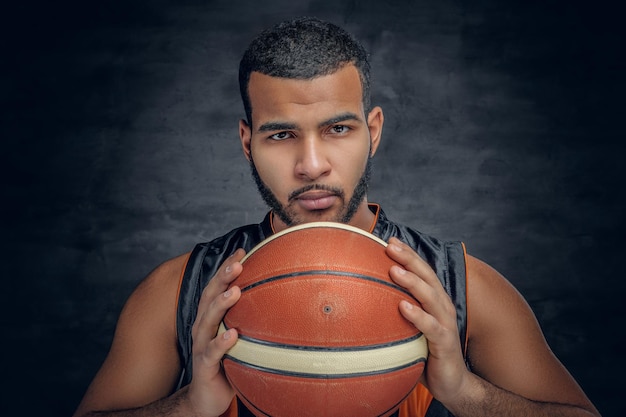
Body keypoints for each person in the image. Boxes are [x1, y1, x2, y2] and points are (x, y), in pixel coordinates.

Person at [73, 17, 600, 417]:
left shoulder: (460, 285)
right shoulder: (178, 290)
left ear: (373, 131)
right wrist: (190, 406)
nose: (312, 164)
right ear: (246, 141)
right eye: (281, 134)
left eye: (338, 130)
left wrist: (464, 390)